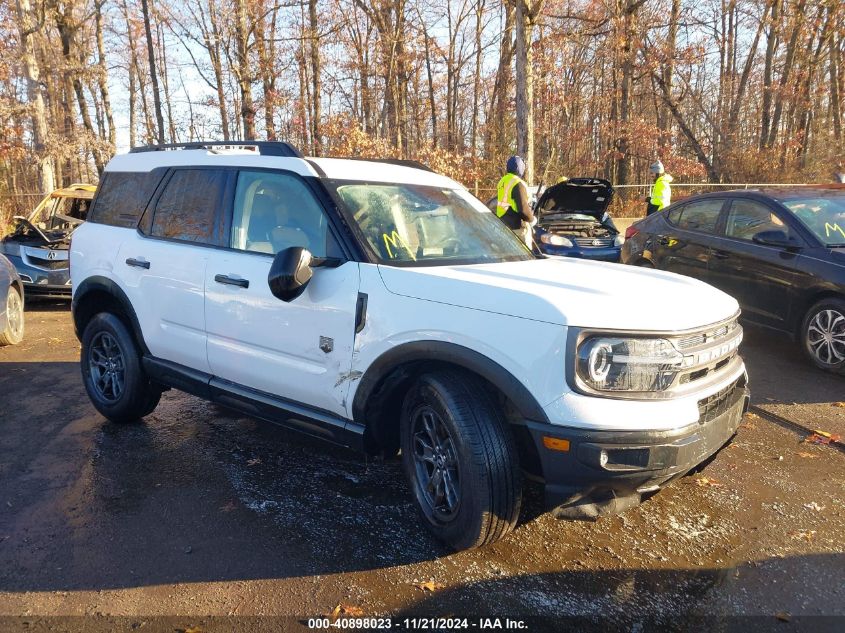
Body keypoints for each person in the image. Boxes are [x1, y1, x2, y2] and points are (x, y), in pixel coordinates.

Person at [495, 155, 534, 247]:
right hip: (517, 227)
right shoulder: (518, 183)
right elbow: (523, 208)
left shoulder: (502, 181)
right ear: (521, 168)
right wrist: (531, 219)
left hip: (503, 224)